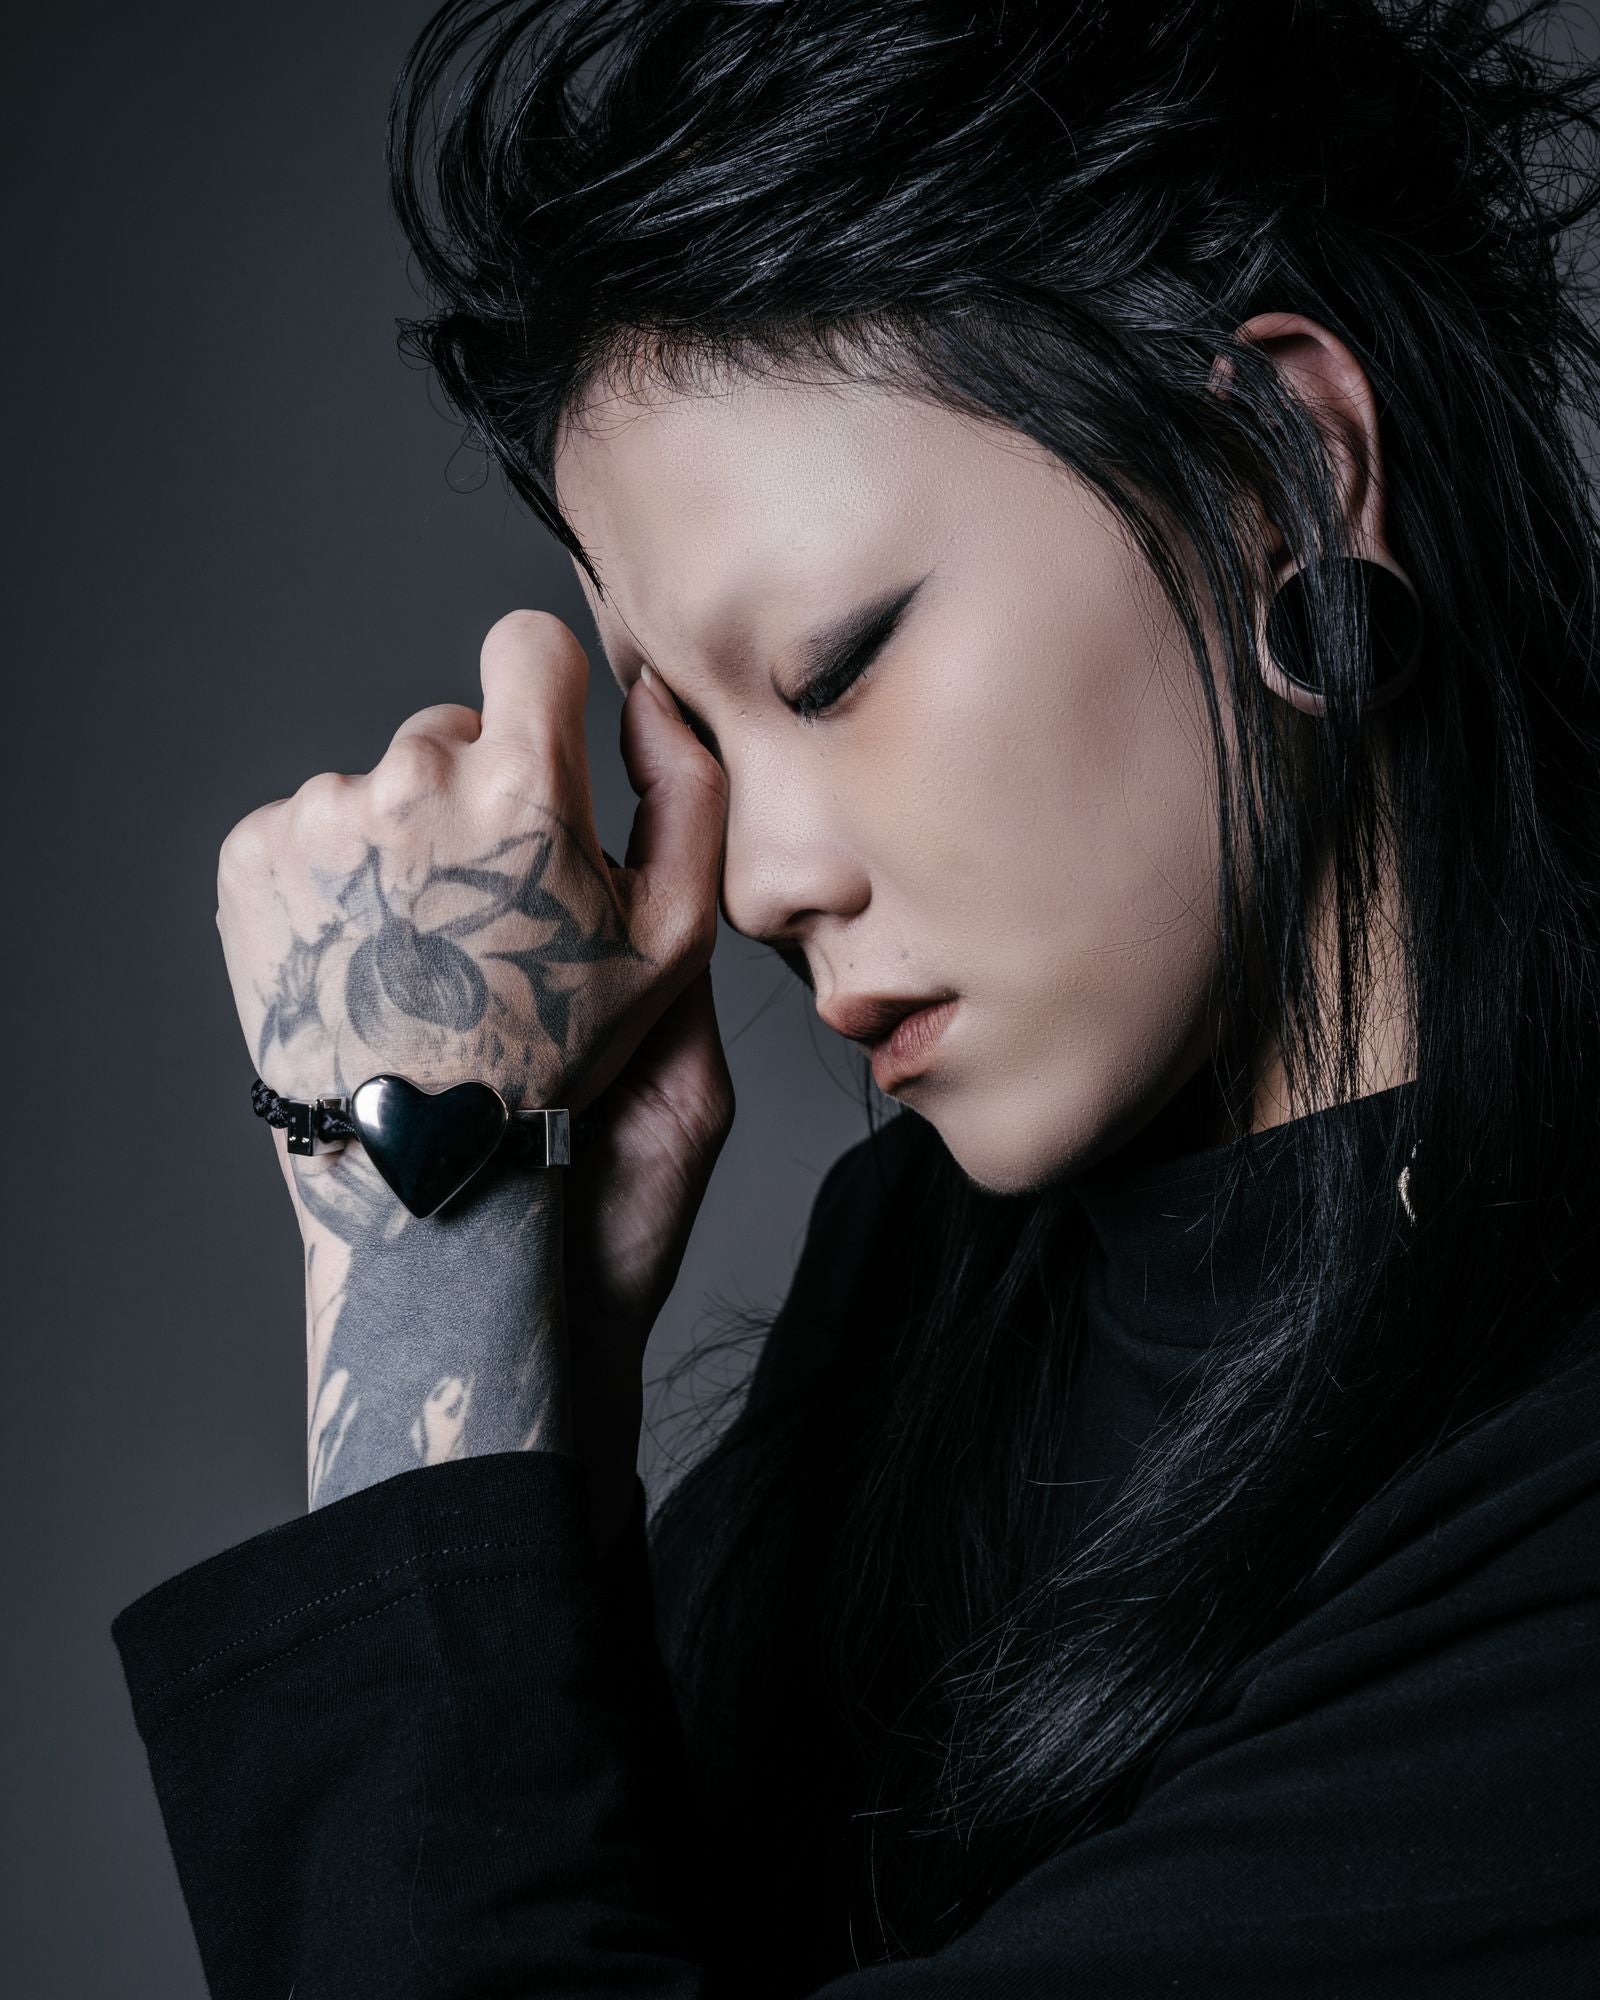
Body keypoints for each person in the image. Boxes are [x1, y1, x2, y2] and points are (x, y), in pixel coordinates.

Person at [112, 0, 1600, 1992]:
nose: (756, 881)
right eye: (689, 728)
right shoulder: (918, 1273)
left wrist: (415, 1228)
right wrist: (528, 1371)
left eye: (831, 667)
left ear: (1281, 469)